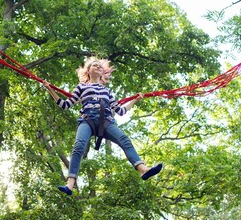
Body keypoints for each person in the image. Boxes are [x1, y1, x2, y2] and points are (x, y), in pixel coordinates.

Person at [43, 57, 163, 196]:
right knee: (78, 146)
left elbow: (120, 111)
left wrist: (135, 100)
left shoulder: (106, 91)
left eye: (100, 66)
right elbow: (65, 105)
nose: (98, 67)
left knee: (124, 139)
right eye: (95, 65)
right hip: (86, 121)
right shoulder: (81, 87)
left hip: (106, 122)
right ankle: (70, 183)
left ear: (102, 73)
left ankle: (143, 169)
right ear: (88, 71)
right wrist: (50, 89)